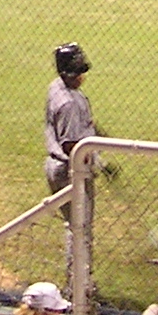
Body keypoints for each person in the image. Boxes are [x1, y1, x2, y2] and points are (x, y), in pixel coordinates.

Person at [44, 43, 97, 276]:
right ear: (66, 73)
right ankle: (77, 285)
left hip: (57, 167)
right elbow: (71, 145)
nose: (81, 77)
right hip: (70, 171)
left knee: (77, 226)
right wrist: (94, 165)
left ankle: (78, 282)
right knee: (79, 229)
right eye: (77, 73)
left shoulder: (56, 87)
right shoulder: (68, 105)